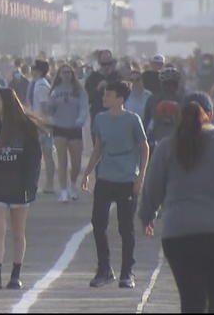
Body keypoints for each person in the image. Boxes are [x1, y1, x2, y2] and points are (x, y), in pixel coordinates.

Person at [139, 92, 214, 313]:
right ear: (210, 115)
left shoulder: (166, 147)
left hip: (180, 232)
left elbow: (153, 187)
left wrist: (147, 214)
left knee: (191, 299)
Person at [81, 81, 149, 289]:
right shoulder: (101, 119)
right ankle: (104, 269)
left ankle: (127, 272)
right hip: (105, 178)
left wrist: (140, 178)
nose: (105, 98)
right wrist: (87, 173)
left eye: (109, 95)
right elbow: (98, 148)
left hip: (127, 179)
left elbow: (144, 148)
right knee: (98, 223)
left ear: (120, 99)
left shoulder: (132, 120)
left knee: (125, 227)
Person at [0, 88, 41, 290]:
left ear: (7, 101)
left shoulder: (26, 127)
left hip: (19, 185)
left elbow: (34, 158)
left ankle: (15, 275)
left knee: (17, 232)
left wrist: (31, 186)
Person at [48, 64, 88, 203]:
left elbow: (83, 107)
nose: (66, 75)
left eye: (69, 72)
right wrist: (50, 109)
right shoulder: (55, 91)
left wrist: (80, 120)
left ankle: (72, 185)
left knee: (76, 162)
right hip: (59, 128)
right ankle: (63, 190)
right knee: (62, 160)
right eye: (64, 72)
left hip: (74, 128)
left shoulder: (79, 90)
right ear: (59, 75)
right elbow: (50, 109)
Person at [27, 59, 55, 195]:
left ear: (38, 71)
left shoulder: (41, 86)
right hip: (37, 122)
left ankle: (50, 184)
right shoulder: (37, 84)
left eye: (34, 69)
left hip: (42, 124)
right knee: (39, 154)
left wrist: (44, 126)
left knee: (46, 154)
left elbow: (44, 107)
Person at [143, 67, 183, 151]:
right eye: (167, 83)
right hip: (157, 139)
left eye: (173, 83)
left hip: (178, 140)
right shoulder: (153, 99)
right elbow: (146, 121)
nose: (170, 86)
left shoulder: (183, 100)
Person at [85, 50, 120, 129]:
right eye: (104, 64)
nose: (106, 66)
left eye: (109, 64)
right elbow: (88, 98)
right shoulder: (92, 78)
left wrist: (110, 85)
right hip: (98, 115)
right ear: (99, 63)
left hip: (116, 116)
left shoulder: (117, 76)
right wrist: (98, 88)